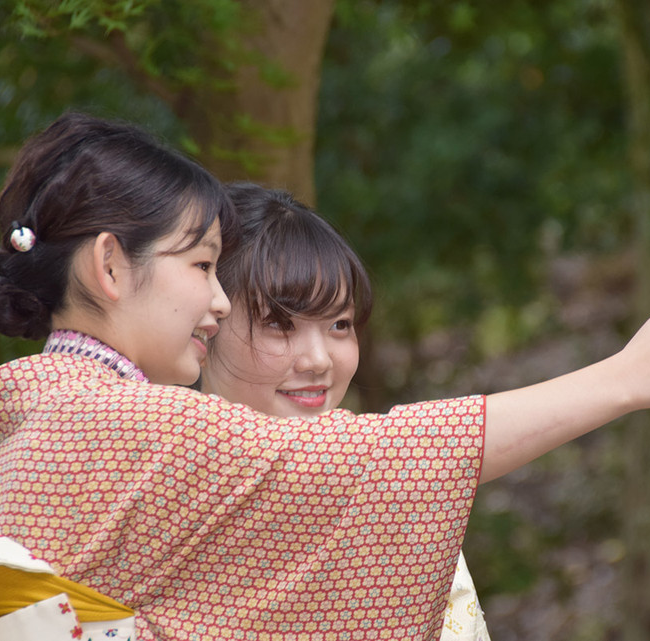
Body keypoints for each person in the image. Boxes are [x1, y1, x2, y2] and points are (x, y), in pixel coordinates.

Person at [0, 112, 650, 641]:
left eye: (340, 325)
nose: (216, 300)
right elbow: (401, 457)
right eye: (200, 265)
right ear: (111, 266)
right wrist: (624, 377)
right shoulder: (129, 424)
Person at [198, 182, 489, 640]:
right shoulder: (155, 485)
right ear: (205, 320)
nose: (318, 361)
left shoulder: (396, 496)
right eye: (279, 324)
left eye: (339, 324)